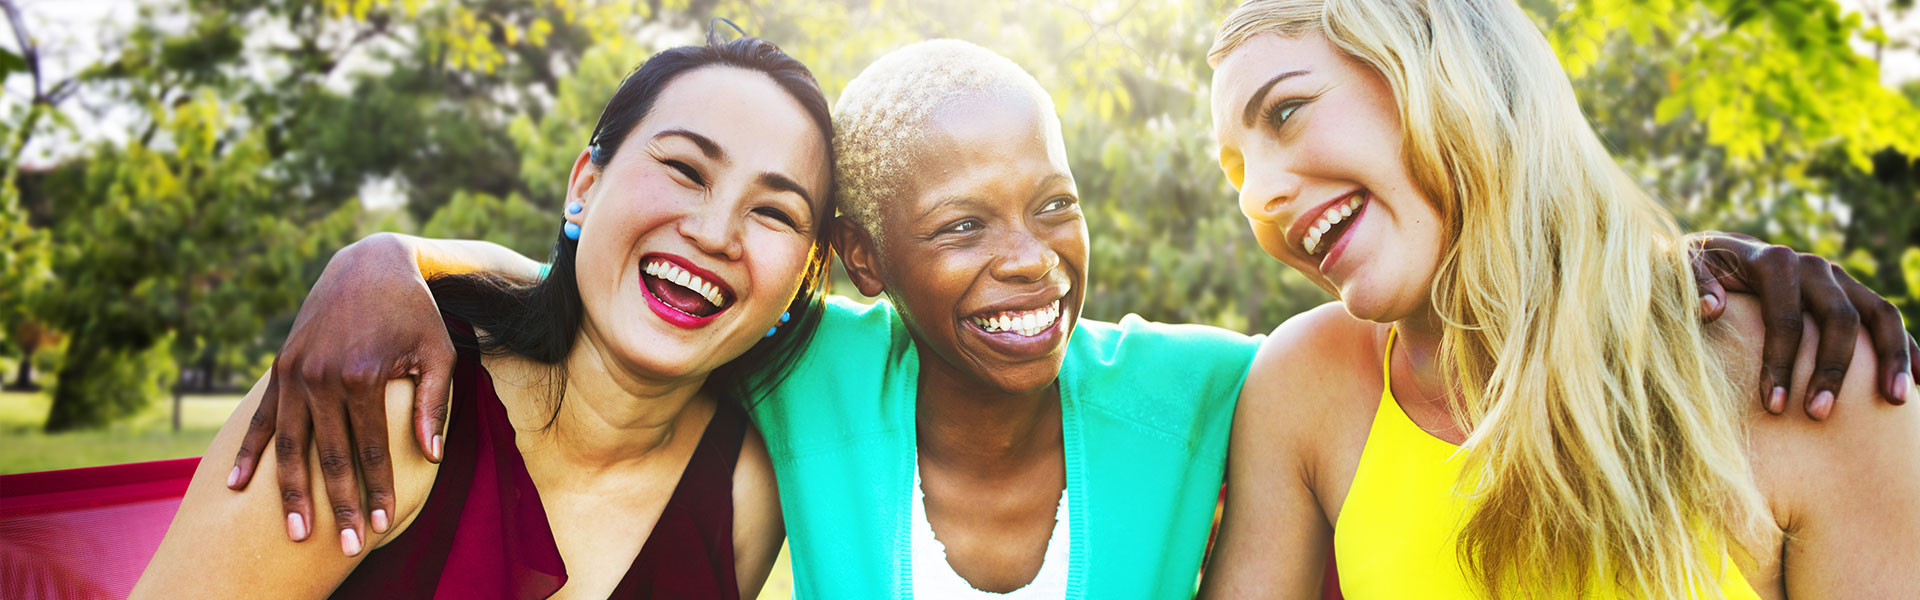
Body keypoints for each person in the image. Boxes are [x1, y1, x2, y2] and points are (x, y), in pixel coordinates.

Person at [223, 38, 1905, 600]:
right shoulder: (809, 369)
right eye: (961, 227)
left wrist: (1697, 265)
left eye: (1056, 204)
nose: (1032, 258)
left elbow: (1495, 324)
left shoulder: (1217, 389)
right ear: (864, 269)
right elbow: (616, 297)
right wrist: (387, 259)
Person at [1199, 0, 1920, 597]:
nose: (1259, 194)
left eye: (1287, 112)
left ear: (1443, 69)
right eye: (1235, 172)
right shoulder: (1306, 387)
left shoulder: (1812, 379)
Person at [132, 30, 833, 599]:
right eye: (684, 168)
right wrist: (384, 255)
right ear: (583, 186)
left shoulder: (744, 491)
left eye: (774, 212)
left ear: (804, 278)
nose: (715, 234)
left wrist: (398, 254)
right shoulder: (387, 396)